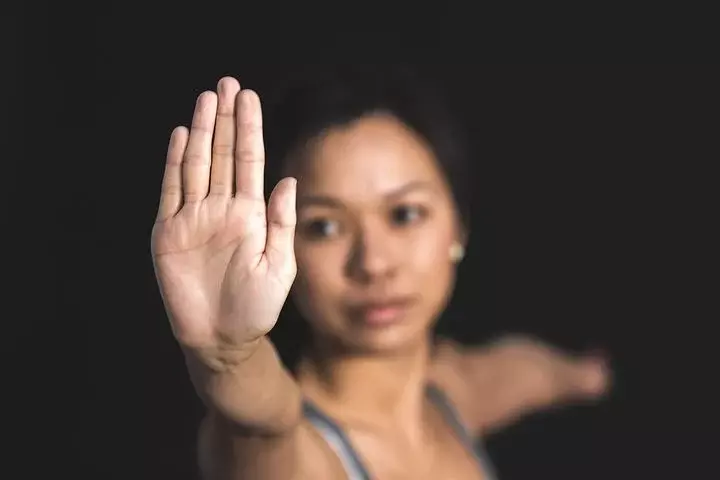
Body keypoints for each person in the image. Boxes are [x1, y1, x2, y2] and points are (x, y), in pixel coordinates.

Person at [151, 68, 610, 479]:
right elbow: (257, 422)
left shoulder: (453, 392)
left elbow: (527, 370)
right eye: (324, 227)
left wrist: (588, 375)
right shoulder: (295, 453)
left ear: (459, 226)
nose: (373, 263)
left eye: (405, 214)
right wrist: (228, 356)